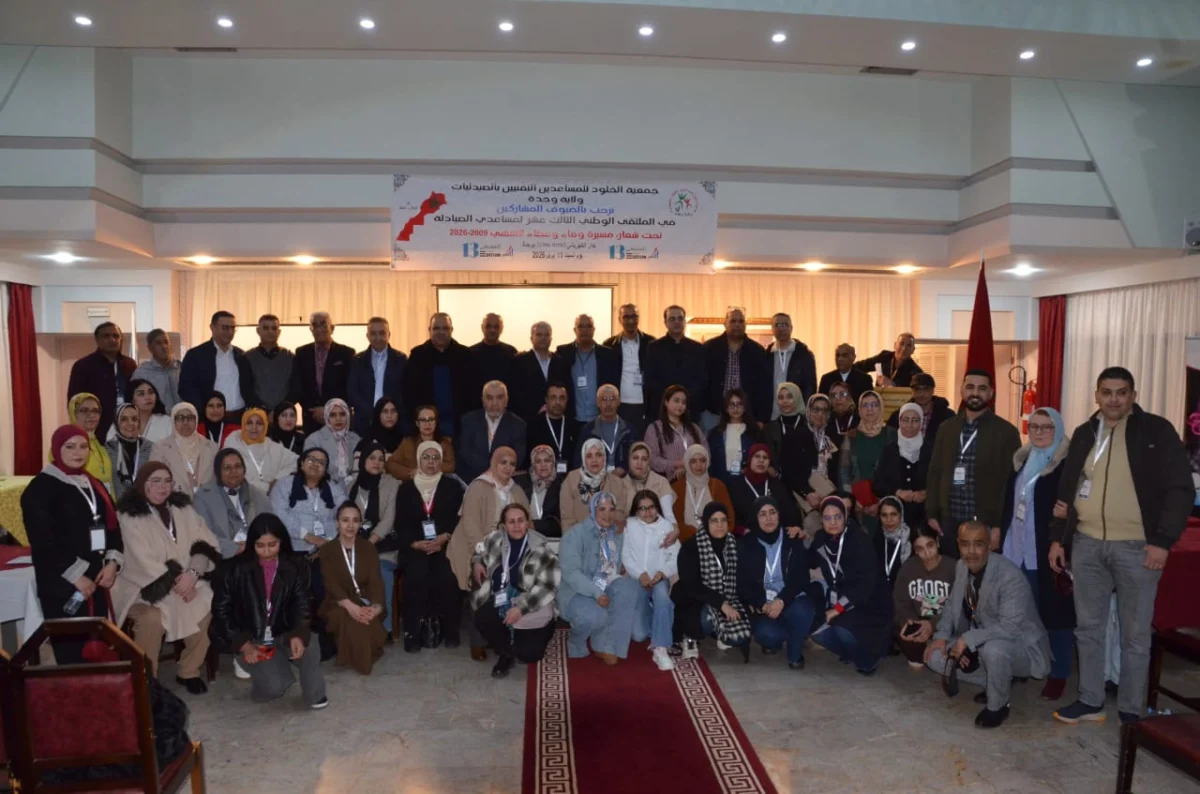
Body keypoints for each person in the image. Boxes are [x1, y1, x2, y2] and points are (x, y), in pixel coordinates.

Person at [1050, 367, 1194, 725]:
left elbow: (1181, 489)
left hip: (1137, 547)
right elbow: (1067, 488)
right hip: (1086, 544)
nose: (1113, 399)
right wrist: (1058, 538)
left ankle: (1131, 709)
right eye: (1107, 392)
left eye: (1121, 392)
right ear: (1096, 396)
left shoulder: (1156, 431)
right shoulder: (1085, 433)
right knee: (1088, 629)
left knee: (1135, 635)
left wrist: (1162, 542)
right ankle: (1090, 700)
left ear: (1133, 396)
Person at [926, 521, 1051, 728]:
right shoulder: (961, 566)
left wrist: (968, 640)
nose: (971, 551)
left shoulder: (1010, 577)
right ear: (958, 544)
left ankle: (998, 705)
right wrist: (941, 636)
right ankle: (999, 679)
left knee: (993, 650)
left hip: (1019, 646)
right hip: (982, 637)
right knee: (935, 657)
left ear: (990, 545)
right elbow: (951, 604)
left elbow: (1010, 629)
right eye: (965, 544)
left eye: (978, 544)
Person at [112, 462, 222, 694]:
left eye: (167, 481)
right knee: (152, 619)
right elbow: (141, 560)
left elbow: (205, 542)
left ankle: (188, 670)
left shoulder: (183, 509)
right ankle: (146, 680)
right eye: (155, 481)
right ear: (142, 484)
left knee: (207, 603)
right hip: (142, 588)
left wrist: (193, 574)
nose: (162, 487)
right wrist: (179, 583)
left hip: (186, 581)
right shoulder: (128, 515)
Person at [23, 425, 123, 664]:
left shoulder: (94, 484)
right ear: (56, 449)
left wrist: (112, 563)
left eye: (83, 447)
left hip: (97, 578)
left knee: (99, 649)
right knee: (73, 655)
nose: (78, 453)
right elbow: (43, 541)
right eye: (70, 447)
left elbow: (113, 528)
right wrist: (76, 576)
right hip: (62, 583)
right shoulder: (40, 488)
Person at [211, 514, 328, 709]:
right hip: (250, 636)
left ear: (282, 541)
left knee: (310, 644)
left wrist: (297, 633)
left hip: (283, 630)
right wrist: (242, 644)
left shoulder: (296, 565)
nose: (266, 552)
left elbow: (303, 604)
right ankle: (265, 675)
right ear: (251, 544)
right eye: (260, 546)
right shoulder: (233, 569)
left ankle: (315, 695)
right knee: (277, 686)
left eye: (272, 545)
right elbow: (221, 611)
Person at [1000, 407, 1076, 701]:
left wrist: (1062, 539)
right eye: (1035, 427)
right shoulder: (1021, 461)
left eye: (1047, 427)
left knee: (1056, 614)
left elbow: (1075, 509)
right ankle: (1025, 663)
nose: (1040, 432)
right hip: (1017, 548)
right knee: (1021, 612)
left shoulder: (1066, 466)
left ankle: (1059, 673)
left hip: (1048, 551)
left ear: (1058, 430)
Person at [926, 370, 1022, 557]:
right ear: (962, 390)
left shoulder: (1006, 432)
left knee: (983, 573)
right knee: (952, 572)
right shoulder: (946, 428)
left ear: (991, 393)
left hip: (985, 523)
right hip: (949, 521)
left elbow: (1010, 483)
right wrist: (931, 513)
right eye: (970, 387)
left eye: (982, 388)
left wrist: (999, 525)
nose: (975, 393)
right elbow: (935, 472)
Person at [448, 447, 530, 661]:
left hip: (507, 550)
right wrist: (481, 557)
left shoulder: (517, 490)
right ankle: (478, 642)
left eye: (512, 464)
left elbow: (526, 523)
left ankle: (501, 635)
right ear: (494, 463)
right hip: (474, 546)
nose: (508, 467)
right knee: (481, 582)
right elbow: (471, 526)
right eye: (503, 462)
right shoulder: (478, 487)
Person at [470, 503, 560, 677]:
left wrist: (521, 608)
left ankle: (543, 631)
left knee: (529, 655)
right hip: (500, 597)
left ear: (528, 523)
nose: (517, 526)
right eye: (511, 522)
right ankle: (506, 653)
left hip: (531, 603)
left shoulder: (541, 549)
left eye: (521, 521)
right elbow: (479, 551)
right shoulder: (494, 539)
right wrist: (477, 562)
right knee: (482, 616)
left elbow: (548, 586)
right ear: (503, 525)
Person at [810, 496, 894, 674]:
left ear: (846, 517)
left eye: (838, 517)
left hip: (869, 603)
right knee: (816, 630)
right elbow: (807, 561)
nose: (833, 522)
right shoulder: (820, 539)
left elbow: (865, 585)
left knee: (842, 629)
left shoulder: (860, 541)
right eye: (827, 518)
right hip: (842, 599)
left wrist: (838, 608)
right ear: (821, 520)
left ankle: (869, 659)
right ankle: (852, 652)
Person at [396, 441, 465, 650]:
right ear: (419, 459)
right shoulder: (406, 488)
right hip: (415, 546)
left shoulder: (452, 487)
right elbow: (400, 522)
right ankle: (412, 634)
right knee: (416, 575)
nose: (431, 462)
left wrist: (445, 537)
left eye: (436, 458)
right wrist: (415, 543)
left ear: (441, 461)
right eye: (426, 457)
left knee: (447, 576)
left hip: (444, 544)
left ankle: (451, 631)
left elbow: (459, 518)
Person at [558, 491, 641, 663]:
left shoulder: (617, 535)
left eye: (611, 509)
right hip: (577, 592)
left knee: (629, 586)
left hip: (607, 587)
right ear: (591, 510)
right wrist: (596, 593)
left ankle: (607, 646)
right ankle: (576, 642)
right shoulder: (575, 535)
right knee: (596, 616)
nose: (607, 514)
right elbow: (571, 573)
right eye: (601, 509)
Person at [737, 496, 815, 668]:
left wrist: (781, 600)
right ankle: (792, 633)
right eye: (763, 514)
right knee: (767, 635)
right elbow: (742, 583)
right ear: (756, 518)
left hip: (790, 599)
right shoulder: (746, 544)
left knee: (804, 610)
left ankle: (795, 654)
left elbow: (801, 577)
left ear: (779, 514)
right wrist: (761, 604)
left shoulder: (792, 538)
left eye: (772, 512)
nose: (769, 518)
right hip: (764, 606)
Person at [671, 502, 751, 659]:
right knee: (703, 618)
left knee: (739, 636)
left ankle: (720, 633)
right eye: (714, 520)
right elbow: (691, 584)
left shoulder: (735, 544)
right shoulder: (691, 546)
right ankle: (690, 637)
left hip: (727, 596)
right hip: (694, 599)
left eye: (723, 520)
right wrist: (721, 604)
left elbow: (743, 578)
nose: (720, 525)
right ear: (706, 522)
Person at [316, 501, 387, 674]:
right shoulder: (327, 550)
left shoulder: (368, 547)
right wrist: (351, 606)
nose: (350, 525)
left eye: (355, 520)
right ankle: (362, 660)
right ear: (337, 523)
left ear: (360, 524)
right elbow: (330, 583)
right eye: (345, 520)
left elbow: (376, 581)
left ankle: (355, 655)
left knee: (365, 618)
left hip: (365, 599)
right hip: (337, 601)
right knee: (350, 618)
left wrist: (376, 607)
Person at [346, 439, 403, 637]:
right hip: (355, 544)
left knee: (380, 572)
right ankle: (359, 626)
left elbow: (389, 519)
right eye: (372, 458)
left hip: (383, 545)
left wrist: (370, 542)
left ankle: (384, 628)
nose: (376, 463)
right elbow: (345, 517)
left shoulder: (392, 484)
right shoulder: (351, 485)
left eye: (380, 459)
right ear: (363, 460)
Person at [622, 489, 680, 671]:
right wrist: (640, 574)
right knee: (638, 635)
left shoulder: (667, 527)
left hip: (659, 578)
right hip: (637, 579)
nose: (647, 512)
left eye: (651, 507)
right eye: (642, 508)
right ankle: (658, 617)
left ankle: (660, 648)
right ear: (636, 510)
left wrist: (663, 572)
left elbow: (675, 557)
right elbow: (626, 556)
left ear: (657, 508)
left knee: (662, 597)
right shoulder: (630, 526)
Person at [892, 525, 956, 668]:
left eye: (930, 545)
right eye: (920, 549)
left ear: (937, 542)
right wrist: (910, 622)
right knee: (907, 638)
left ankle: (935, 650)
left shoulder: (953, 567)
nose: (927, 553)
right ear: (915, 551)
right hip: (918, 624)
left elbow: (958, 608)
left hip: (945, 628)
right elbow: (900, 601)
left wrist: (932, 625)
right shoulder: (908, 568)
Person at [192, 448, 271, 559]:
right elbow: (204, 535)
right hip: (222, 557)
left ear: (244, 469)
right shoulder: (203, 498)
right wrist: (234, 548)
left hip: (257, 554)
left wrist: (256, 545)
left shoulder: (258, 495)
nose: (233, 471)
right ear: (218, 472)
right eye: (227, 468)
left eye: (238, 466)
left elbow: (270, 528)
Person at [404, 313, 473, 438]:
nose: (441, 332)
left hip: (460, 425)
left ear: (451, 330)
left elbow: (472, 394)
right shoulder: (417, 356)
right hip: (426, 426)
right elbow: (408, 393)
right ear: (429, 330)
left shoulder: (466, 356)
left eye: (445, 328)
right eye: (436, 328)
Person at [702, 307, 770, 431]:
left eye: (741, 321)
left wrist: (761, 418)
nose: (737, 325)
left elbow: (764, 388)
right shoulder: (709, 348)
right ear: (725, 324)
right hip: (714, 413)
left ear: (745, 325)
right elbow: (702, 382)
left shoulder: (757, 351)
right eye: (733, 321)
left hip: (746, 414)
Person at [178, 311, 256, 420]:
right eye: (225, 328)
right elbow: (185, 388)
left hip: (239, 417)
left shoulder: (241, 356)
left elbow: (249, 386)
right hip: (210, 418)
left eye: (233, 328)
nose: (230, 332)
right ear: (212, 327)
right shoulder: (195, 355)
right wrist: (204, 409)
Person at [269, 447, 348, 554]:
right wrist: (305, 535)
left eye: (321, 463)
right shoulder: (284, 485)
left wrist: (330, 540)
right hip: (292, 547)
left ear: (325, 470)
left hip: (327, 547)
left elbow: (345, 512)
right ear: (302, 463)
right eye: (311, 460)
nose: (316, 464)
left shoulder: (334, 488)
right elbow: (278, 514)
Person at [67, 321, 138, 441]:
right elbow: (75, 401)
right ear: (97, 340)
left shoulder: (129, 364)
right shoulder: (83, 365)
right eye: (106, 336)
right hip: (97, 430)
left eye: (116, 336)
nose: (112, 340)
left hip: (127, 427)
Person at [781, 394, 840, 536]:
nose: (820, 414)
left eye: (824, 410)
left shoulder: (833, 438)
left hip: (829, 492)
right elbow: (788, 471)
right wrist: (807, 493)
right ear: (808, 411)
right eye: (816, 409)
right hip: (804, 495)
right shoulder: (795, 436)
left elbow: (837, 471)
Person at [555, 314, 621, 433]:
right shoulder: (563, 353)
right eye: (581, 327)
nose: (585, 330)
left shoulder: (607, 354)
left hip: (600, 418)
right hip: (572, 418)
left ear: (594, 329)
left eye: (589, 326)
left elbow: (614, 385)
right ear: (575, 330)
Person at [291, 311, 356, 430]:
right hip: (312, 417)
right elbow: (298, 386)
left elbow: (350, 388)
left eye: (323, 324)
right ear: (310, 329)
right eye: (314, 325)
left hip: (339, 418)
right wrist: (313, 410)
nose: (319, 328)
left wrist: (329, 410)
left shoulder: (347, 353)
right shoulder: (301, 353)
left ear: (332, 328)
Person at [644, 305, 708, 425]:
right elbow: (650, 379)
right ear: (665, 322)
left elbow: (702, 379)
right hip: (662, 408)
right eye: (672, 319)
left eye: (680, 318)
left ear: (685, 322)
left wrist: (683, 400)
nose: (677, 322)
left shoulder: (697, 348)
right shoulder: (654, 348)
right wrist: (670, 400)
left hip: (689, 409)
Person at [873, 402, 932, 529]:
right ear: (899, 421)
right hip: (893, 515)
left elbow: (939, 479)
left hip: (923, 515)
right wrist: (898, 492)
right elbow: (878, 483)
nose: (910, 424)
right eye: (905, 420)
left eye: (915, 420)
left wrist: (926, 493)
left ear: (921, 422)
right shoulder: (889, 449)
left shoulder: (929, 449)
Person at [456, 380, 527, 483]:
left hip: (503, 481)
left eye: (499, 398)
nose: (494, 403)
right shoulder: (468, 420)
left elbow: (517, 458)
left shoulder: (518, 425)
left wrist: (496, 473)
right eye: (489, 398)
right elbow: (465, 451)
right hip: (473, 479)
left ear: (506, 400)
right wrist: (487, 473)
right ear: (483, 400)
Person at [347, 317, 407, 438]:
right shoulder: (357, 360)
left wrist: (390, 411)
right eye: (373, 333)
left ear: (389, 334)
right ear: (367, 336)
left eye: (382, 333)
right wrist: (372, 412)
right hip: (364, 421)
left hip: (394, 421)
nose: (378, 337)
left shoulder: (401, 359)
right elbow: (352, 391)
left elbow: (405, 390)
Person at [559, 438, 631, 534]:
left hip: (608, 537)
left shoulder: (616, 483)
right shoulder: (571, 480)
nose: (594, 460)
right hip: (578, 538)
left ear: (604, 457)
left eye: (598, 455)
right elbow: (567, 519)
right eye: (589, 456)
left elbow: (619, 517)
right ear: (583, 458)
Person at [603, 303, 655, 435]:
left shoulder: (651, 343)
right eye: (626, 317)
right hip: (620, 404)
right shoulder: (609, 345)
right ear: (619, 319)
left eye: (634, 316)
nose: (631, 321)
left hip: (645, 404)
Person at [729, 444, 801, 536]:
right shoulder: (736, 486)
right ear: (749, 459)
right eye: (757, 456)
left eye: (765, 457)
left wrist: (795, 527)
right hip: (748, 536)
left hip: (776, 534)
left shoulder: (776, 485)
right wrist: (742, 531)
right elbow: (732, 518)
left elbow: (790, 513)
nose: (761, 460)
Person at [148, 402, 217, 497]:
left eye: (190, 418)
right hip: (174, 501)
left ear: (196, 420)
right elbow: (155, 480)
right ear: (173, 421)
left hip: (207, 501)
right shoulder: (160, 448)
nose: (185, 422)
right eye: (180, 418)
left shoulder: (212, 447)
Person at [851, 390, 897, 534]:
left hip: (886, 502)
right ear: (859, 409)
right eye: (865, 405)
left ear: (881, 407)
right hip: (858, 504)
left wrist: (881, 502)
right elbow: (843, 471)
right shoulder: (852, 435)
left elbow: (896, 472)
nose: (869, 409)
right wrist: (852, 500)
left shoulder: (892, 434)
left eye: (874, 405)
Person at [223, 407, 297, 495]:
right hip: (243, 497)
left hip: (272, 497)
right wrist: (266, 487)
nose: (254, 427)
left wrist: (277, 480)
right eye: (249, 423)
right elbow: (233, 478)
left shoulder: (273, 446)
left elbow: (296, 462)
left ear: (265, 426)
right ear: (243, 425)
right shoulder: (232, 447)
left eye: (259, 423)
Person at [672, 445, 735, 542]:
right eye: (693, 461)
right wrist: (694, 534)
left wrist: (718, 535)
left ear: (708, 462)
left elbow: (729, 517)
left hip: (716, 539)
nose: (699, 465)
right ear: (687, 463)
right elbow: (675, 521)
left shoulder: (717, 485)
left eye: (702, 460)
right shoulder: (677, 488)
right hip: (686, 541)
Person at [644, 385, 708, 481]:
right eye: (676, 401)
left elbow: (706, 453)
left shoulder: (694, 428)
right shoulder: (654, 429)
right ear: (666, 402)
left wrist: (689, 467)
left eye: (683, 402)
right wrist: (677, 464)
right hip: (666, 482)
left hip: (695, 480)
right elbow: (652, 460)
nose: (680, 405)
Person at [511, 323, 571, 423]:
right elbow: (515, 392)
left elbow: (567, 390)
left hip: (556, 418)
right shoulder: (519, 361)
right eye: (539, 334)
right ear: (531, 338)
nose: (543, 338)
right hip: (527, 419)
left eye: (547, 335)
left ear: (551, 338)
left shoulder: (561, 362)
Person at [572, 384, 635, 473]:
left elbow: (637, 458)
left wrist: (624, 469)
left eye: (612, 399)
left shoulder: (629, 430)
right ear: (597, 402)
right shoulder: (588, 430)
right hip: (595, 477)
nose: (608, 404)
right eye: (604, 399)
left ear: (619, 402)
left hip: (624, 478)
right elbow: (578, 462)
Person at [385, 404, 456, 482]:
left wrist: (424, 471)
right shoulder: (408, 443)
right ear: (417, 423)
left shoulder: (445, 443)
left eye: (431, 419)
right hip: (412, 484)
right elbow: (390, 464)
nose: (427, 424)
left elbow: (450, 466)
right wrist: (410, 473)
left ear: (436, 422)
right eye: (423, 420)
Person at [243, 314, 295, 416]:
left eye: (274, 328)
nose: (270, 331)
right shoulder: (247, 357)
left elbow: (296, 389)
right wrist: (264, 411)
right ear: (258, 331)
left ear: (279, 332)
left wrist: (279, 411)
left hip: (284, 415)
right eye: (266, 328)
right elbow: (246, 390)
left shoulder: (290, 357)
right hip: (257, 415)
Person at [886, 372, 954, 447]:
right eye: (917, 389)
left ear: (932, 391)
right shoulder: (898, 416)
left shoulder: (947, 416)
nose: (921, 394)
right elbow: (890, 442)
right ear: (912, 391)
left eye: (926, 389)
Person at [765, 313, 817, 410]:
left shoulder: (804, 354)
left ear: (791, 328)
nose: (781, 328)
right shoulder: (766, 356)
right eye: (777, 325)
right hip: (771, 412)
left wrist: (805, 409)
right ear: (772, 329)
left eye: (785, 325)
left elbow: (810, 386)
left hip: (797, 411)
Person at [304, 398, 361, 485]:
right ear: (326, 417)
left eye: (342, 414)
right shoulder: (313, 440)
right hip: (323, 488)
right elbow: (310, 472)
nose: (338, 419)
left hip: (352, 488)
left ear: (348, 416)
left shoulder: (356, 439)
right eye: (333, 415)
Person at [707, 388, 758, 485]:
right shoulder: (715, 434)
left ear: (745, 407)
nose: (735, 408)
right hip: (721, 482)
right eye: (731, 404)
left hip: (746, 482)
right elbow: (710, 462)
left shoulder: (753, 432)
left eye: (739, 404)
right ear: (726, 408)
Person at [524, 383, 576, 474]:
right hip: (542, 478)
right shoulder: (533, 426)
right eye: (553, 397)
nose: (558, 402)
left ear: (567, 400)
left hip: (570, 478)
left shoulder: (574, 426)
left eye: (562, 398)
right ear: (546, 400)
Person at [66, 392, 114, 488]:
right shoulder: (65, 444)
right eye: (84, 410)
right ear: (73, 413)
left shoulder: (98, 444)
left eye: (95, 410)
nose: (91, 415)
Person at [515, 445, 564, 539]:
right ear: (533, 465)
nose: (543, 465)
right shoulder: (522, 484)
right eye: (538, 461)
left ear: (553, 463)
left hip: (552, 539)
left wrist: (535, 525)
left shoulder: (561, 486)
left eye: (547, 460)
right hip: (524, 537)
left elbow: (559, 522)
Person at [106, 403, 153, 500]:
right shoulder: (108, 448)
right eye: (124, 419)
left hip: (145, 504)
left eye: (134, 419)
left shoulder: (150, 447)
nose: (130, 423)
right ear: (116, 422)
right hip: (117, 504)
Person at [468, 313, 518, 400]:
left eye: (496, 327)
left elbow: (516, 383)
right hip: (477, 404)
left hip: (506, 405)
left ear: (501, 328)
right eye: (488, 326)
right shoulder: (470, 353)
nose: (492, 330)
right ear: (482, 328)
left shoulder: (511, 352)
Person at [760, 382, 804, 477]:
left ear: (797, 397)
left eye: (789, 397)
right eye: (781, 398)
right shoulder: (769, 428)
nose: (785, 401)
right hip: (778, 478)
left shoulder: (808, 425)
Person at [132, 328, 182, 411]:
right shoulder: (142, 373)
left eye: (166, 342)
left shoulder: (180, 368)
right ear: (150, 348)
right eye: (158, 343)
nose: (164, 347)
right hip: (156, 418)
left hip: (181, 417)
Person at [624, 441, 674, 519]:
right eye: (635, 458)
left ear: (648, 462)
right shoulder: (619, 485)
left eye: (644, 459)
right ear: (629, 460)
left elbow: (668, 515)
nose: (639, 463)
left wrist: (672, 525)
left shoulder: (661, 482)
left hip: (658, 525)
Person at [857, 332, 923, 388]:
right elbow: (860, 366)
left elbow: (916, 392)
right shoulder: (884, 356)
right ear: (895, 345)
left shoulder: (916, 371)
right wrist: (867, 383)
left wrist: (894, 386)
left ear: (913, 350)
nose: (904, 348)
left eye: (908, 345)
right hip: (879, 397)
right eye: (901, 344)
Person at [875, 496, 912, 590]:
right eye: (884, 515)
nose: (889, 520)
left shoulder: (911, 539)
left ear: (901, 515)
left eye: (893, 514)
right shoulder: (875, 540)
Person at [126, 378, 173, 443]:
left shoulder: (167, 422)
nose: (148, 397)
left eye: (151, 392)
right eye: (141, 394)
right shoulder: (121, 423)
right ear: (131, 400)